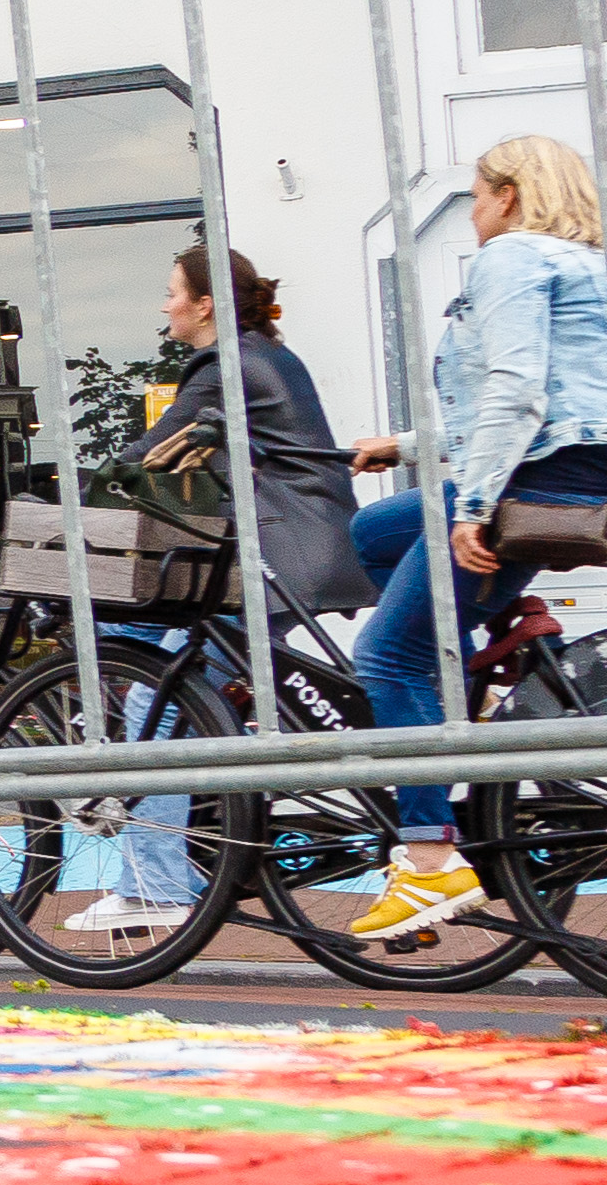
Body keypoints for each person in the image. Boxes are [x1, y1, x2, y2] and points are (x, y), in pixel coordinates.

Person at [342, 134, 607, 942]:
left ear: (510, 194)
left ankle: (428, 860)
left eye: (478, 194)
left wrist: (473, 505)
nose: (474, 210)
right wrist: (407, 447)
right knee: (374, 529)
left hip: (526, 486)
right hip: (575, 480)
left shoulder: (513, 259)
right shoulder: (586, 267)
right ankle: (465, 674)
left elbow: (518, 390)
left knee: (387, 657)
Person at [57, 243, 345, 948]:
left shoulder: (227, 367)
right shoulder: (255, 355)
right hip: (283, 551)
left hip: (277, 556)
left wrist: (65, 505)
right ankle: (210, 845)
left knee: (153, 700)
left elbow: (144, 457)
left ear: (205, 302)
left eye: (171, 291)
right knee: (154, 667)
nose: (164, 306)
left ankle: (155, 887)